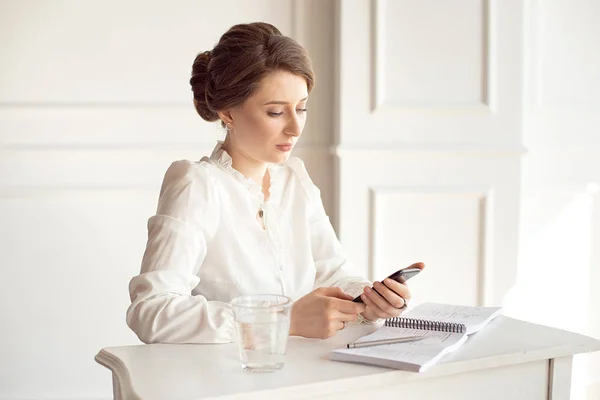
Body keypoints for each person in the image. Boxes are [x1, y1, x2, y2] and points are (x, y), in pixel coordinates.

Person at [126, 22, 424, 344]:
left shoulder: (295, 182)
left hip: (300, 373)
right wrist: (281, 320)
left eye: (301, 108)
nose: (295, 128)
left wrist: (370, 303)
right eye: (275, 112)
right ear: (228, 111)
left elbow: (333, 273)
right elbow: (151, 311)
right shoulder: (197, 185)